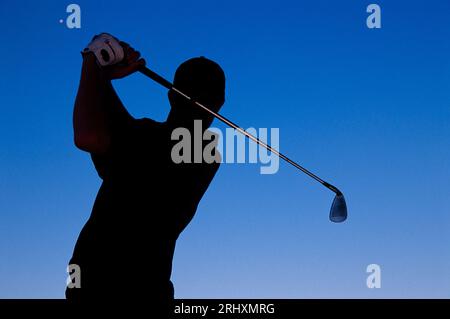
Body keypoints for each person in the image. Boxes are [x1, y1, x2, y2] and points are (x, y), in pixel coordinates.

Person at [66, 39, 225, 312]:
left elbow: (89, 135)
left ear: (171, 94)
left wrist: (93, 60)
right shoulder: (195, 149)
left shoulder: (197, 149)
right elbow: (119, 126)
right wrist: (102, 76)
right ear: (220, 104)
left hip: (110, 292)